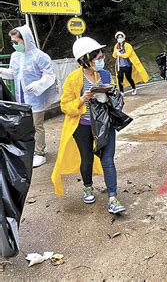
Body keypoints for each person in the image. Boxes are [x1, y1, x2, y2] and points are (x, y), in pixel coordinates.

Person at [51, 37, 126, 214]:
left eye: (101, 57)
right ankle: (87, 187)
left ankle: (113, 198)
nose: (101, 60)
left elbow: (116, 99)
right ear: (85, 59)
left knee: (108, 160)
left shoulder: (106, 75)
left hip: (105, 124)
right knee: (87, 158)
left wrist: (114, 97)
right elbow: (65, 106)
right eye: (97, 58)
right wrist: (82, 99)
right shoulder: (73, 79)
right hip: (83, 125)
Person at [0, 25, 58, 168]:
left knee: (37, 125)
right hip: (22, 97)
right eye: (12, 42)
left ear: (25, 39)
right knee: (26, 125)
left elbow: (49, 75)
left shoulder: (39, 56)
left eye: (16, 42)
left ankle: (40, 152)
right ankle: (31, 151)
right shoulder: (15, 56)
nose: (14, 45)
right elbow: (13, 74)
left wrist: (39, 84)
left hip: (36, 98)